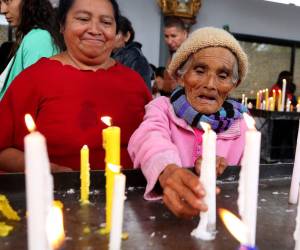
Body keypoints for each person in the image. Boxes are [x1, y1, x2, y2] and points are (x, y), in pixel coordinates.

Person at [0, 0, 152, 172]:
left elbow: (155, 144)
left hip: (129, 195)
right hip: (54, 194)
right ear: (62, 25)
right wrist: (50, 170)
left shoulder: (133, 82)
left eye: (106, 22)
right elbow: (2, 150)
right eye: (83, 19)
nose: (95, 30)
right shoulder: (34, 79)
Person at [128, 27, 249, 218]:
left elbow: (246, 187)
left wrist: (223, 171)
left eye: (223, 76)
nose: (210, 84)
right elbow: (148, 138)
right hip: (162, 219)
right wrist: (167, 169)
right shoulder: (163, 108)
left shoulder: (241, 126)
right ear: (181, 76)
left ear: (233, 84)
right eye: (199, 71)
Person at [0, 0, 64, 100]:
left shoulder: (38, 38)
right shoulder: (35, 36)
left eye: (8, 1)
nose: (2, 10)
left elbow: (36, 97)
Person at [112, 15, 152, 90]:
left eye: (116, 33)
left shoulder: (136, 58)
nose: (111, 36)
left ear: (127, 36)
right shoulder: (109, 56)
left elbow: (140, 93)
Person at [161, 16, 188, 96]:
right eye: (166, 36)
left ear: (184, 34)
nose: (169, 41)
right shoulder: (173, 53)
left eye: (173, 36)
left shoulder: (191, 55)